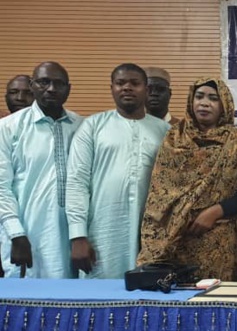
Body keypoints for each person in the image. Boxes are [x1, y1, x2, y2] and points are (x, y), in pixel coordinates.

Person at [137, 77, 237, 280]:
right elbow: (160, 191)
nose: (204, 103)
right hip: (178, 240)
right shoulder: (174, 139)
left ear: (224, 105)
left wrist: (216, 211)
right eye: (199, 96)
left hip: (222, 241)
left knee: (219, 303)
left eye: (213, 98)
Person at [66, 63, 170, 279]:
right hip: (103, 232)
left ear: (147, 89)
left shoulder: (165, 132)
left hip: (152, 235)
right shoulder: (93, 126)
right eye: (120, 83)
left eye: (135, 83)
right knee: (101, 298)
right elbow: (77, 182)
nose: (127, 88)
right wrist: (78, 236)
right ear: (111, 88)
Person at [0, 62, 82, 278]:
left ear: (68, 89)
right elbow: (1, 187)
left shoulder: (82, 127)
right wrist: (16, 234)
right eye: (44, 82)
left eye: (59, 83)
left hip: (73, 238)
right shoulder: (8, 127)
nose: (51, 89)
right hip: (25, 237)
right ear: (32, 84)